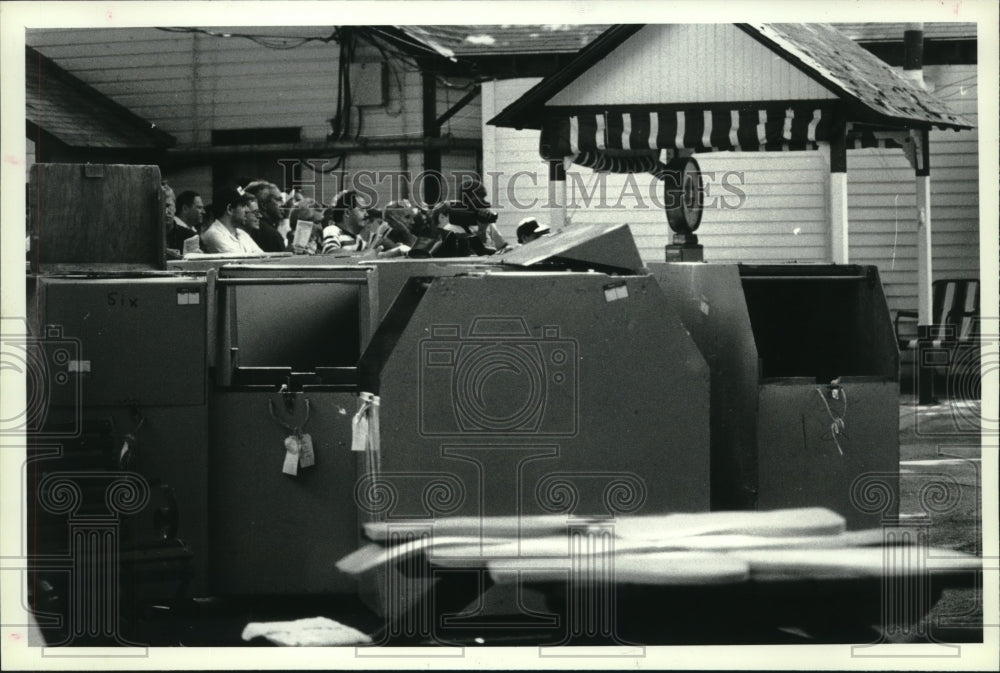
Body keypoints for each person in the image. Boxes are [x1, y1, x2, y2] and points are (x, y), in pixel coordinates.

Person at [200, 187, 265, 254]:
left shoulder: (242, 233)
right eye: (243, 206)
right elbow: (239, 263)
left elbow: (264, 258)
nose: (247, 210)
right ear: (230, 209)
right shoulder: (214, 234)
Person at [243, 180, 288, 252]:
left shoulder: (252, 228)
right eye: (278, 200)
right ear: (264, 205)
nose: (283, 204)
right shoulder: (271, 235)